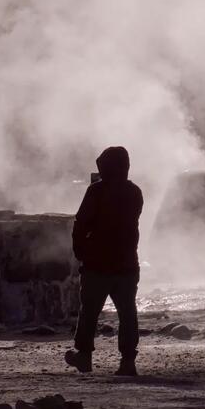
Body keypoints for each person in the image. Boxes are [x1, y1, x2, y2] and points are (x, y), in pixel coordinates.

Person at [65, 145, 143, 376]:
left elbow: (81, 224)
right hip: (127, 263)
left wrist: (80, 251)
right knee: (128, 312)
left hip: (98, 264)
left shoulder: (96, 192)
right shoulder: (135, 192)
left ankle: (85, 356)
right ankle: (128, 361)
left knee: (89, 312)